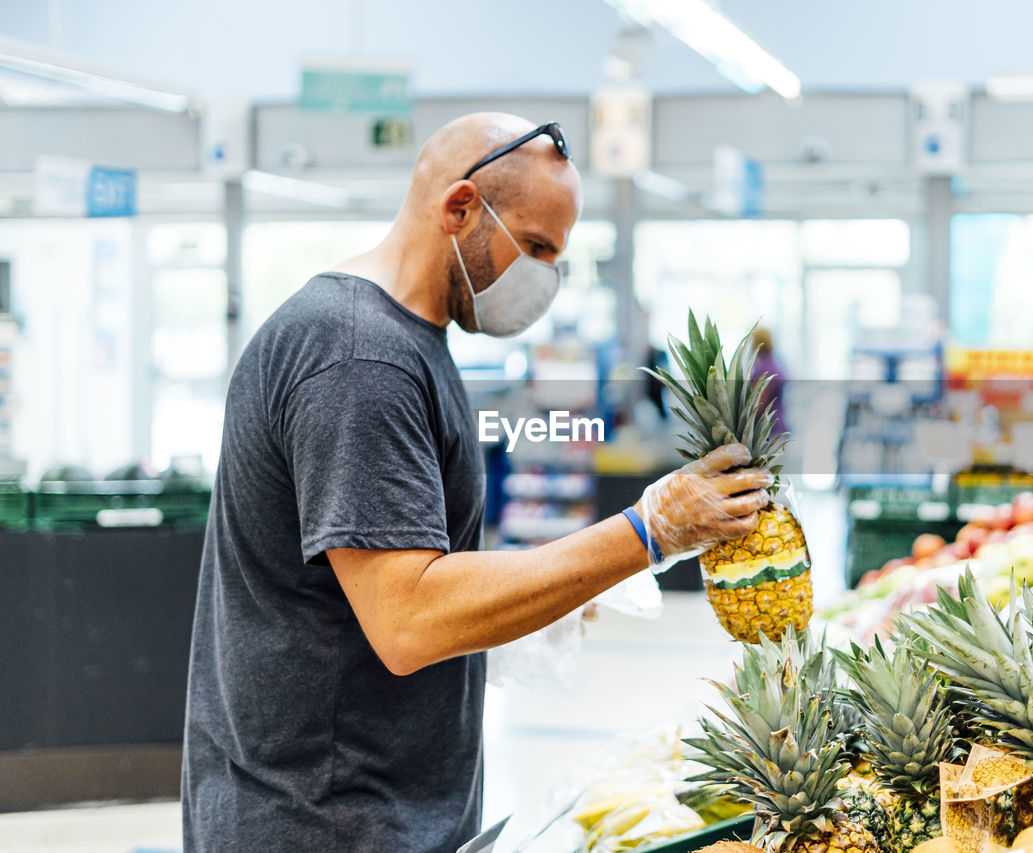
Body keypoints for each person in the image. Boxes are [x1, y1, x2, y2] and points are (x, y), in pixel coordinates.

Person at [181, 113, 771, 853]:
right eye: (534, 247)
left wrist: (534, 604)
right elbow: (408, 618)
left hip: (382, 811)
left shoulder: (411, 340)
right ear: (459, 208)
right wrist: (648, 531)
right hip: (325, 824)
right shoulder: (359, 357)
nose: (546, 278)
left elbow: (388, 584)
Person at [750, 327, 788, 438]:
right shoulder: (775, 363)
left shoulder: (764, 368)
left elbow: (757, 405)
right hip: (778, 426)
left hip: (769, 432)